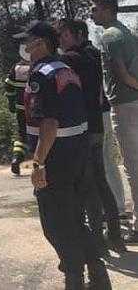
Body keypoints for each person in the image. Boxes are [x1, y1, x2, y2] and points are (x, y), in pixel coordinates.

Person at [15, 21, 110, 290]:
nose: (25, 48)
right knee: (77, 220)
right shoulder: (66, 70)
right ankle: (98, 275)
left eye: (28, 42)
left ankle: (75, 279)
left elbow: (49, 124)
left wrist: (38, 163)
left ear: (41, 44)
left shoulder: (41, 75)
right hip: (78, 154)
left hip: (56, 158)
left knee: (57, 224)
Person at [58, 19, 125, 253]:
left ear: (78, 34)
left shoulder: (70, 60)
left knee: (86, 185)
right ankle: (114, 234)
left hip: (81, 128)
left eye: (64, 35)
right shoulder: (95, 54)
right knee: (99, 179)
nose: (61, 40)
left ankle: (97, 240)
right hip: (96, 123)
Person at [91, 0, 138, 243]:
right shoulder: (127, 33)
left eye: (95, 9)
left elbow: (121, 73)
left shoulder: (109, 37)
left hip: (125, 104)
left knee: (133, 166)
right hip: (132, 103)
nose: (92, 13)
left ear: (107, 10)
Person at [4, 62, 30, 175]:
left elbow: (8, 85)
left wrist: (11, 101)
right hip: (39, 109)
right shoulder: (43, 65)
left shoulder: (18, 67)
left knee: (22, 135)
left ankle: (16, 159)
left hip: (21, 108)